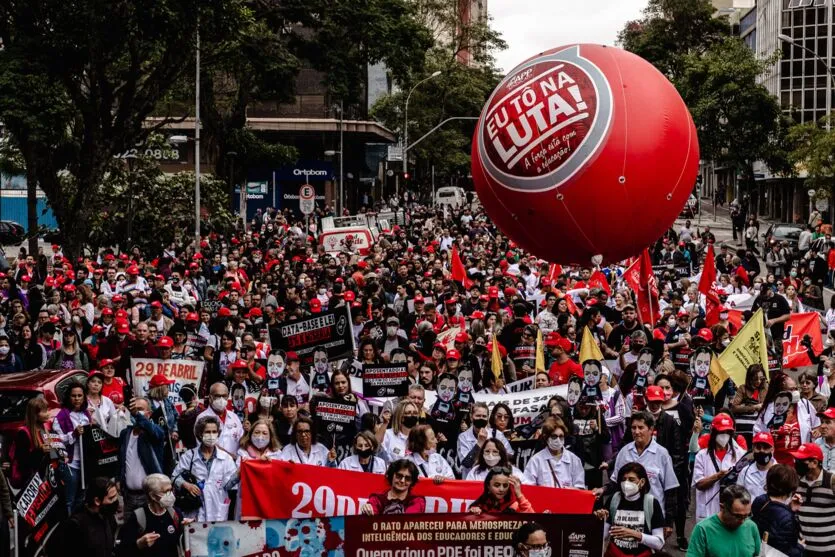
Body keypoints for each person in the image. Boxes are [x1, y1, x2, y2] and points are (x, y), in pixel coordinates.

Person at [608, 411, 678, 534]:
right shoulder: (624, 452)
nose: (636, 431)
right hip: (626, 515)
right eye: (633, 428)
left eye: (641, 427)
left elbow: (670, 490)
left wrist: (668, 522)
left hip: (653, 516)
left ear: (651, 429)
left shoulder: (662, 454)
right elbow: (615, 484)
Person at [172, 415, 239, 522]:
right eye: (207, 432)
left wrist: (239, 473)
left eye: (214, 431)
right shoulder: (189, 456)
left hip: (218, 509)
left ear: (218, 433)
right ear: (200, 434)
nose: (211, 435)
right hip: (195, 510)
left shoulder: (226, 458)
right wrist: (186, 485)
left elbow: (228, 486)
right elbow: (174, 477)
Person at [594, 462, 665, 557]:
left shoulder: (651, 503)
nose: (626, 483)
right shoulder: (614, 500)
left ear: (642, 482)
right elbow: (603, 536)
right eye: (624, 479)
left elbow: (659, 543)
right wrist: (600, 521)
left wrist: (635, 534)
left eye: (631, 480)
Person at [692, 413, 744, 522]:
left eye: (727, 432)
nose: (724, 435)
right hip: (707, 512)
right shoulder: (701, 456)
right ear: (714, 432)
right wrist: (717, 476)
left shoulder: (739, 454)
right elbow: (699, 484)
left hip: (731, 512)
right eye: (721, 432)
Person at [119, 397, 166, 516]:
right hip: (129, 497)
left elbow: (156, 433)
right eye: (133, 410)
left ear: (149, 414)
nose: (135, 412)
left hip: (149, 497)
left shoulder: (154, 432)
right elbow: (121, 460)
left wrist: (137, 415)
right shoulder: (125, 434)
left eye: (140, 409)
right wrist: (118, 479)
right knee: (130, 532)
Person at [117, 474, 184, 557]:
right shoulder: (138, 517)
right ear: (152, 495)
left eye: (171, 490)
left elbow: (183, 543)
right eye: (166, 491)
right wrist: (139, 543)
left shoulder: (175, 513)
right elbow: (122, 549)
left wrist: (188, 529)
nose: (170, 495)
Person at [687, 485, 761, 557]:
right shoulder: (703, 529)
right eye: (738, 516)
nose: (742, 521)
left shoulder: (751, 527)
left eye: (746, 515)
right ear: (722, 507)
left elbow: (758, 554)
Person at [53, 477, 119, 557]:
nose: (115, 500)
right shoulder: (76, 525)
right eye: (111, 498)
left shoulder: (108, 516)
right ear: (97, 501)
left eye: (116, 496)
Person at [52, 380, 91, 513]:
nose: (77, 399)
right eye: (73, 396)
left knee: (83, 497)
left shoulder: (86, 414)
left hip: (86, 463)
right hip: (71, 464)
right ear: (68, 397)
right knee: (70, 499)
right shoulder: (61, 416)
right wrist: (73, 434)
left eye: (80, 395)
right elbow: (57, 441)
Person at [751, 464, 804, 557]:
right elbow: (786, 551)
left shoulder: (760, 501)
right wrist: (801, 547)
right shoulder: (788, 519)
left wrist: (790, 508)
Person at [793, 442, 835, 555]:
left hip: (829, 550)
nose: (796, 463)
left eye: (801, 460)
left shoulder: (831, 481)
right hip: (804, 550)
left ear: (815, 463)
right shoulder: (796, 482)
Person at [523, 416, 585, 489]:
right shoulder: (536, 460)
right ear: (546, 437)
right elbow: (528, 486)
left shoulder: (574, 460)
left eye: (561, 436)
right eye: (554, 436)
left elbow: (580, 487)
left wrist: (570, 490)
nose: (558, 440)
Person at [457, 402, 513, 474]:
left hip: (494, 477)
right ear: (471, 417)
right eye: (478, 416)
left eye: (484, 416)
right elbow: (466, 463)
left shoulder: (497, 434)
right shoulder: (463, 437)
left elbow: (510, 457)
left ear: (487, 417)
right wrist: (479, 443)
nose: (481, 418)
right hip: (472, 480)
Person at [360, 459, 426, 515]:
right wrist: (367, 510)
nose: (402, 481)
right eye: (399, 476)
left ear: (412, 481)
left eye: (408, 478)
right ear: (391, 475)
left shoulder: (417, 500)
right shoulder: (377, 499)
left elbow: (408, 520)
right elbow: (372, 517)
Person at [197, 382, 244, 455]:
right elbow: (205, 444)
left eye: (224, 396)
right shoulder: (202, 418)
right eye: (217, 396)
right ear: (210, 397)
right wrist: (229, 457)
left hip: (234, 464)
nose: (221, 399)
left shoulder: (234, 417)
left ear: (228, 397)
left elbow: (241, 439)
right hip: (213, 463)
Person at [468, 466, 534, 514]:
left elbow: (532, 520)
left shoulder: (514, 505)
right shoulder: (479, 505)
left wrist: (519, 495)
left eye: (505, 485)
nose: (501, 489)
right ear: (488, 486)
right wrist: (473, 513)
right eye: (497, 485)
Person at [736, 432, 775, 500]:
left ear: (772, 449)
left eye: (765, 447)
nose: (762, 451)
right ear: (753, 449)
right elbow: (738, 496)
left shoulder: (780, 472)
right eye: (758, 447)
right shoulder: (745, 472)